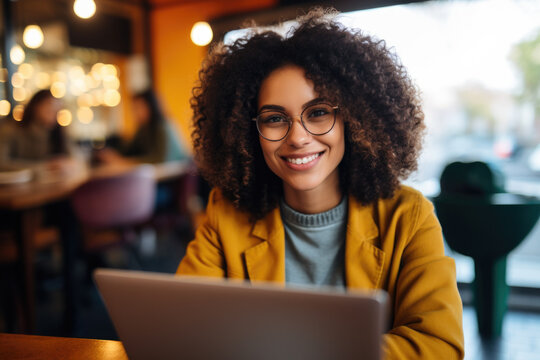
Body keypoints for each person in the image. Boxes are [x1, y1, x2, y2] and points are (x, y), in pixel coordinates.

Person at [176, 8, 464, 359]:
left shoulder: (410, 217)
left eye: (318, 113)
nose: (298, 138)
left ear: (354, 119)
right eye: (274, 119)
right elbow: (186, 328)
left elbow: (440, 345)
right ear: (248, 132)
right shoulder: (226, 213)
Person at [95, 89, 189, 166]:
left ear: (151, 106)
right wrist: (113, 154)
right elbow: (130, 150)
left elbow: (160, 160)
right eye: (134, 108)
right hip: (160, 177)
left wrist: (123, 161)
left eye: (139, 107)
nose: (136, 113)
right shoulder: (143, 129)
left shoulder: (163, 126)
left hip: (176, 180)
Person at [0, 89, 79, 175]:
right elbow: (2, 164)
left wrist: (66, 163)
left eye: (57, 111)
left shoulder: (58, 132)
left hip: (50, 184)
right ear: (35, 106)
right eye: (50, 108)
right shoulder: (10, 130)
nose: (54, 113)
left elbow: (75, 157)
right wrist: (46, 167)